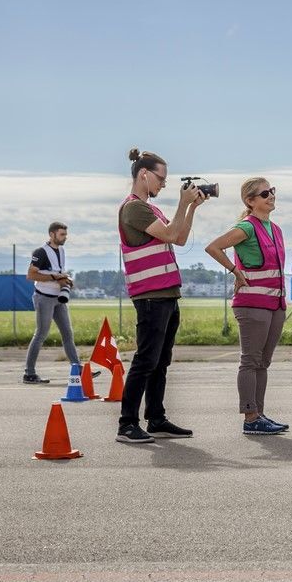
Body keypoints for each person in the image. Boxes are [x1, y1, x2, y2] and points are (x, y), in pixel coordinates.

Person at [116, 148, 205, 444]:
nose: (164, 184)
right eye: (161, 178)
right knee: (146, 359)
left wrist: (191, 208)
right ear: (144, 174)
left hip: (167, 294)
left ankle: (155, 418)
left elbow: (178, 238)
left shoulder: (152, 210)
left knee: (161, 360)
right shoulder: (133, 208)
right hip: (151, 297)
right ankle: (127, 424)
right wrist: (182, 202)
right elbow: (169, 235)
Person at [205, 177, 290, 436]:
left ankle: (259, 415)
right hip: (253, 304)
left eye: (272, 191)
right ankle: (250, 416)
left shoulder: (275, 229)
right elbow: (214, 247)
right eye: (265, 193)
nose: (271, 196)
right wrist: (234, 272)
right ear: (250, 201)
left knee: (263, 362)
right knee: (251, 361)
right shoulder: (247, 227)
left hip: (275, 304)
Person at [23, 221, 80, 384]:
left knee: (68, 334)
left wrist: (66, 279)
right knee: (41, 334)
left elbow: (58, 271)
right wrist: (55, 277)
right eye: (62, 234)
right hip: (44, 298)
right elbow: (31, 275)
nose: (65, 238)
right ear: (52, 234)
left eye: (66, 234)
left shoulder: (61, 251)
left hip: (59, 298)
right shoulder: (40, 252)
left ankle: (78, 369)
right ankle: (29, 373)